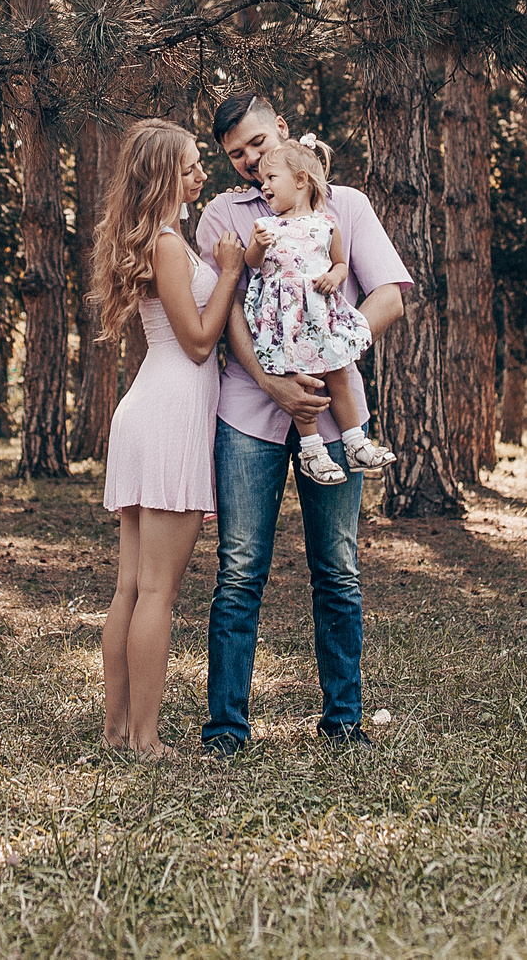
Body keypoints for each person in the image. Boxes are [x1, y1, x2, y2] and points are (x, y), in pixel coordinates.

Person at [196, 94, 413, 754]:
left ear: (282, 129)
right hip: (249, 409)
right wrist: (272, 381)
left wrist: (332, 351)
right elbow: (223, 308)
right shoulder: (222, 216)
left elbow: (389, 294)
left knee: (338, 566)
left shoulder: (342, 202)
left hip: (332, 396)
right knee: (240, 569)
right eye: (237, 153)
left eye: (259, 143)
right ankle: (227, 729)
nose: (252, 159)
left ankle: (343, 718)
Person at [93, 117, 251, 757]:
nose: (200, 172)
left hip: (150, 409)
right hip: (170, 411)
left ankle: (119, 731)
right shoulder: (164, 244)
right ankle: (145, 739)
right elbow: (198, 341)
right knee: (154, 590)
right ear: (163, 175)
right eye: (190, 165)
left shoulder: (166, 243)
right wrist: (232, 269)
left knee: (133, 585)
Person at [241, 140, 392, 484]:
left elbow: (340, 263)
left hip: (320, 320)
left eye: (271, 178)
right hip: (285, 324)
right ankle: (312, 450)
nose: (263, 186)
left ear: (300, 179)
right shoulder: (267, 228)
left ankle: (355, 442)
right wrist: (256, 247)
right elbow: (252, 265)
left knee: (338, 375)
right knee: (301, 386)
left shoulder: (326, 224)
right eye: (262, 180)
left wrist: (334, 277)